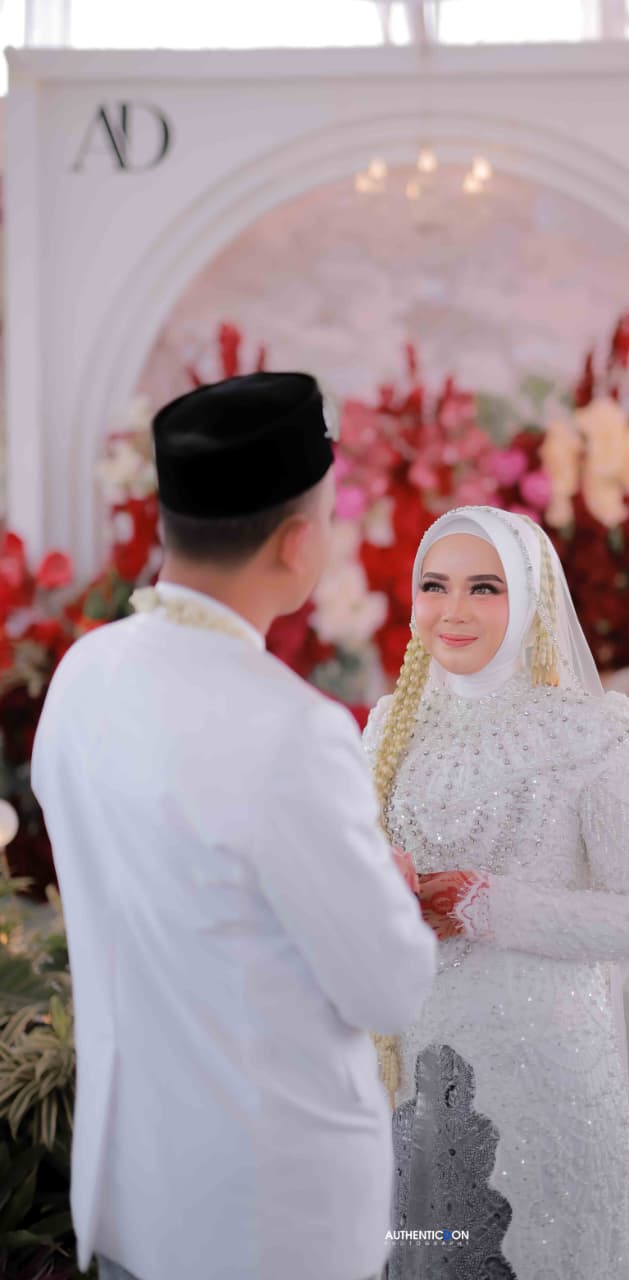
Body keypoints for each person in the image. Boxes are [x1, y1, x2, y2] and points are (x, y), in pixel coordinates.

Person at [32, 373, 436, 1280]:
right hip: (268, 1217)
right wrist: (388, 882)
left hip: (130, 1184)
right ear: (296, 545)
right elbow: (388, 991)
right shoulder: (293, 733)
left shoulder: (84, 672)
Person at [363, 506, 629, 1280]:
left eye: (484, 587)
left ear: (532, 599)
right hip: (410, 1070)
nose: (453, 610)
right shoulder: (388, 727)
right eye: (434, 585)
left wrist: (488, 905)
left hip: (545, 1074)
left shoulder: (588, 734)